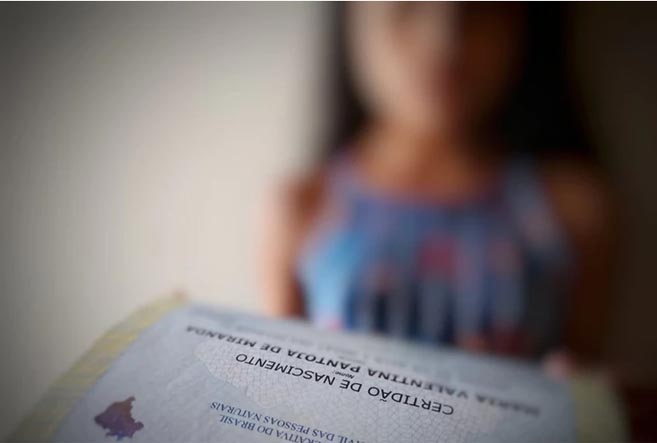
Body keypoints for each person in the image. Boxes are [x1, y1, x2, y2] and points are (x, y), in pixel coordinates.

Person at [261, 2, 614, 365]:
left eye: (478, 8)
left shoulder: (571, 208)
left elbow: (586, 376)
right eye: (406, 7)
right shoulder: (304, 204)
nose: (445, 42)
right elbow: (281, 382)